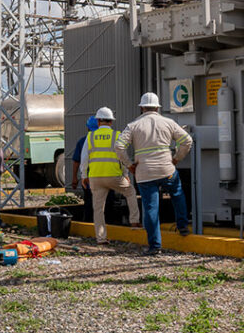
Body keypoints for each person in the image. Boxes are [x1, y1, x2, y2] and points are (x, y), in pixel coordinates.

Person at [115, 92, 193, 256]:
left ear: (142, 107)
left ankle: (155, 246)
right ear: (157, 107)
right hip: (167, 169)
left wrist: (129, 165)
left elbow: (119, 146)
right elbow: (187, 140)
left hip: (145, 173)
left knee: (151, 208)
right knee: (177, 194)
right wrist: (177, 158)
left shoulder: (134, 125)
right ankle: (183, 225)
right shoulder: (168, 122)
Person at [80, 107, 140, 244]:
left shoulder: (90, 137)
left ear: (98, 121)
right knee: (130, 192)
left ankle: (101, 238)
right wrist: (125, 173)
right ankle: (135, 222)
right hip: (114, 176)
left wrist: (84, 176)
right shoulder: (117, 135)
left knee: (98, 208)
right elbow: (122, 156)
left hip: (95, 177)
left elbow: (84, 158)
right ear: (111, 122)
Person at [71, 116, 99, 222]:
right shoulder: (107, 139)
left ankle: (89, 222)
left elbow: (77, 161)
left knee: (89, 202)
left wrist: (75, 178)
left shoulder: (83, 141)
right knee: (106, 203)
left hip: (88, 178)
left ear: (87, 128)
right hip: (105, 176)